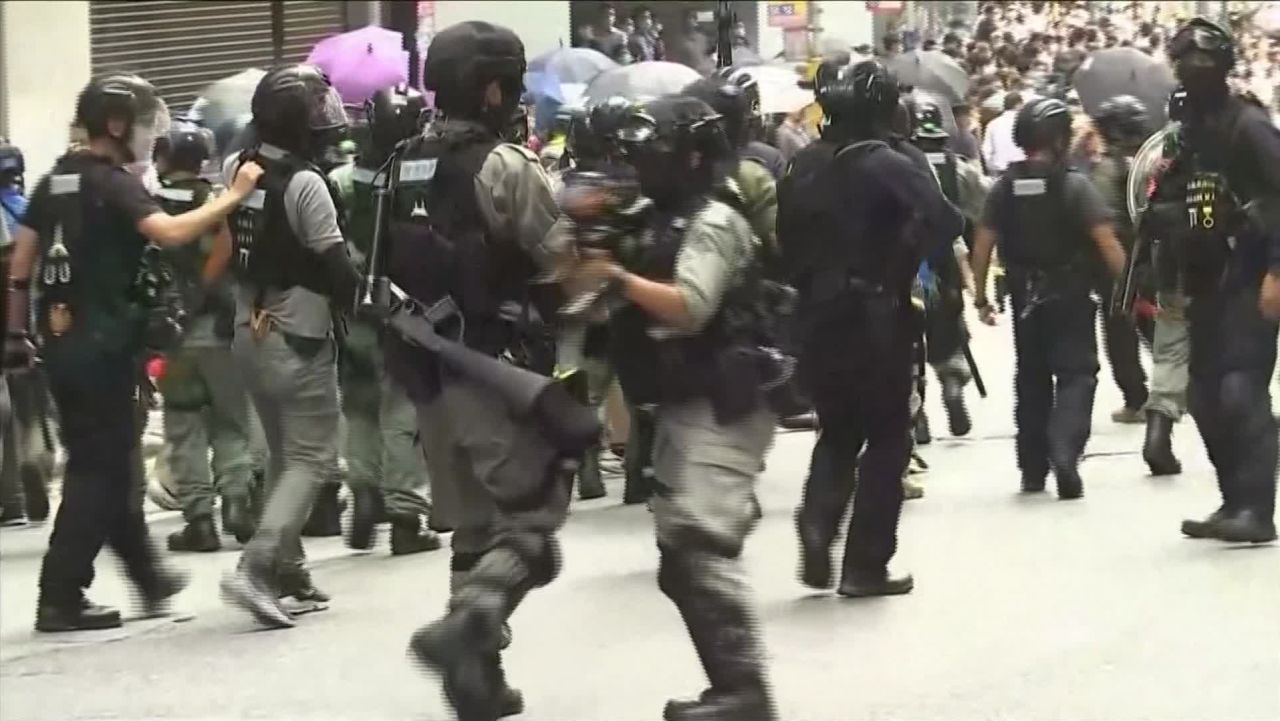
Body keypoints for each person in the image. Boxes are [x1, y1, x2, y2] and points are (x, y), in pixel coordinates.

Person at [4, 74, 263, 632]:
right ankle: (61, 595)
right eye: (146, 125)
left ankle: (147, 576)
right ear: (118, 127)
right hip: (104, 349)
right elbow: (169, 233)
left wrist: (15, 336)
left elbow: (20, 267)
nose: (151, 138)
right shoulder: (112, 183)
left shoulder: (56, 181)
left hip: (61, 348)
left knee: (112, 462)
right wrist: (232, 199)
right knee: (98, 473)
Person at [568, 94, 782, 721]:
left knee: (697, 547)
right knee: (680, 561)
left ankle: (746, 694)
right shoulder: (651, 222)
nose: (638, 167)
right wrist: (589, 251)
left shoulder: (713, 220)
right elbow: (587, 308)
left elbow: (691, 306)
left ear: (692, 157)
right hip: (679, 401)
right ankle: (730, 688)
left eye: (649, 154)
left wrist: (620, 279)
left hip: (724, 400)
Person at [396, 21, 579, 720]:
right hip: (499, 371)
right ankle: (467, 620)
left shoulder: (398, 162)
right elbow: (558, 257)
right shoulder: (506, 165)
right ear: (495, 88)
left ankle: (475, 684)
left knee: (473, 533)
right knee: (533, 530)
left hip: (424, 375)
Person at [782, 60, 963, 598]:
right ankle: (865, 564)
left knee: (837, 429)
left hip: (815, 315)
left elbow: (783, 239)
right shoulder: (887, 162)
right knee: (888, 437)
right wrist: (905, 247)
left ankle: (817, 520)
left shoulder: (802, 165)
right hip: (876, 312)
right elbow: (947, 220)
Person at [218, 64, 360, 628]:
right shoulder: (307, 185)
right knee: (312, 458)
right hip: (299, 338)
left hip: (247, 332)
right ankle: (256, 567)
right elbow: (335, 267)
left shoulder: (238, 168)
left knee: (284, 455)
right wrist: (367, 305)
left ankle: (288, 570)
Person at [1144, 19, 1280, 542]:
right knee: (1202, 395)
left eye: (1202, 67)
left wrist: (1274, 271)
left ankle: (1257, 510)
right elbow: (1169, 196)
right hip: (1202, 278)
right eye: (1185, 66)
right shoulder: (1188, 131)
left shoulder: (1248, 125)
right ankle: (1233, 501)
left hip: (1248, 275)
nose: (1192, 75)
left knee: (1240, 391)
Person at [970, 97, 1127, 499]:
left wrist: (982, 297)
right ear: (1059, 137)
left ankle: (1033, 468)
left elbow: (983, 243)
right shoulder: (1074, 185)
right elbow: (1105, 240)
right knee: (1077, 374)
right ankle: (1065, 450)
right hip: (1070, 295)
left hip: (1024, 298)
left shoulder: (1004, 186)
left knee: (1032, 378)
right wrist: (1128, 291)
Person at [328, 86, 442, 553]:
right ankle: (405, 516)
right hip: (407, 309)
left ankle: (364, 493)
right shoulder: (426, 177)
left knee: (358, 406)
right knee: (402, 411)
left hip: (351, 310)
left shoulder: (337, 179)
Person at [150, 124, 256, 552]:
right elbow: (229, 250)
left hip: (171, 335)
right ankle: (237, 502)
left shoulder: (147, 207)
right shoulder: (217, 203)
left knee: (184, 423)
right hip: (220, 330)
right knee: (231, 421)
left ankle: (199, 519)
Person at [911, 98, 988, 439]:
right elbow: (982, 209)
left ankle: (918, 417)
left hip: (905, 267)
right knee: (949, 333)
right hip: (947, 264)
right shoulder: (961, 170)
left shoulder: (899, 168)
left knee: (909, 341)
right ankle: (953, 384)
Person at [1089, 95, 1155, 427]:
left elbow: (1105, 223)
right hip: (1156, 258)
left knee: (1120, 334)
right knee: (1160, 328)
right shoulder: (1155, 160)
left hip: (1120, 263)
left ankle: (1138, 399)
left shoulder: (1108, 168)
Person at [982, 91, 1027, 175]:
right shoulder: (1025, 121)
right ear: (1018, 104)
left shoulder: (993, 124)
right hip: (1023, 168)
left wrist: (991, 168)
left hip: (1002, 171)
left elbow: (986, 150)